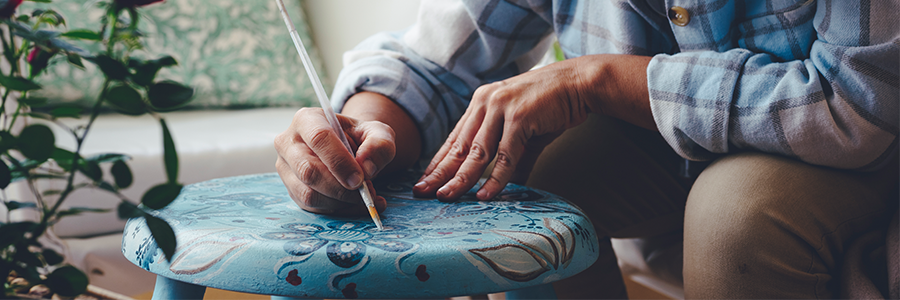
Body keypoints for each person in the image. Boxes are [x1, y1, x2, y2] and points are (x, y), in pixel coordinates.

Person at [274, 0, 899, 298]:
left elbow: (854, 105)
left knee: (735, 218)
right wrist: (364, 126)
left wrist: (597, 79)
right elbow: (435, 62)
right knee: (523, 195)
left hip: (869, 146)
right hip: (677, 144)